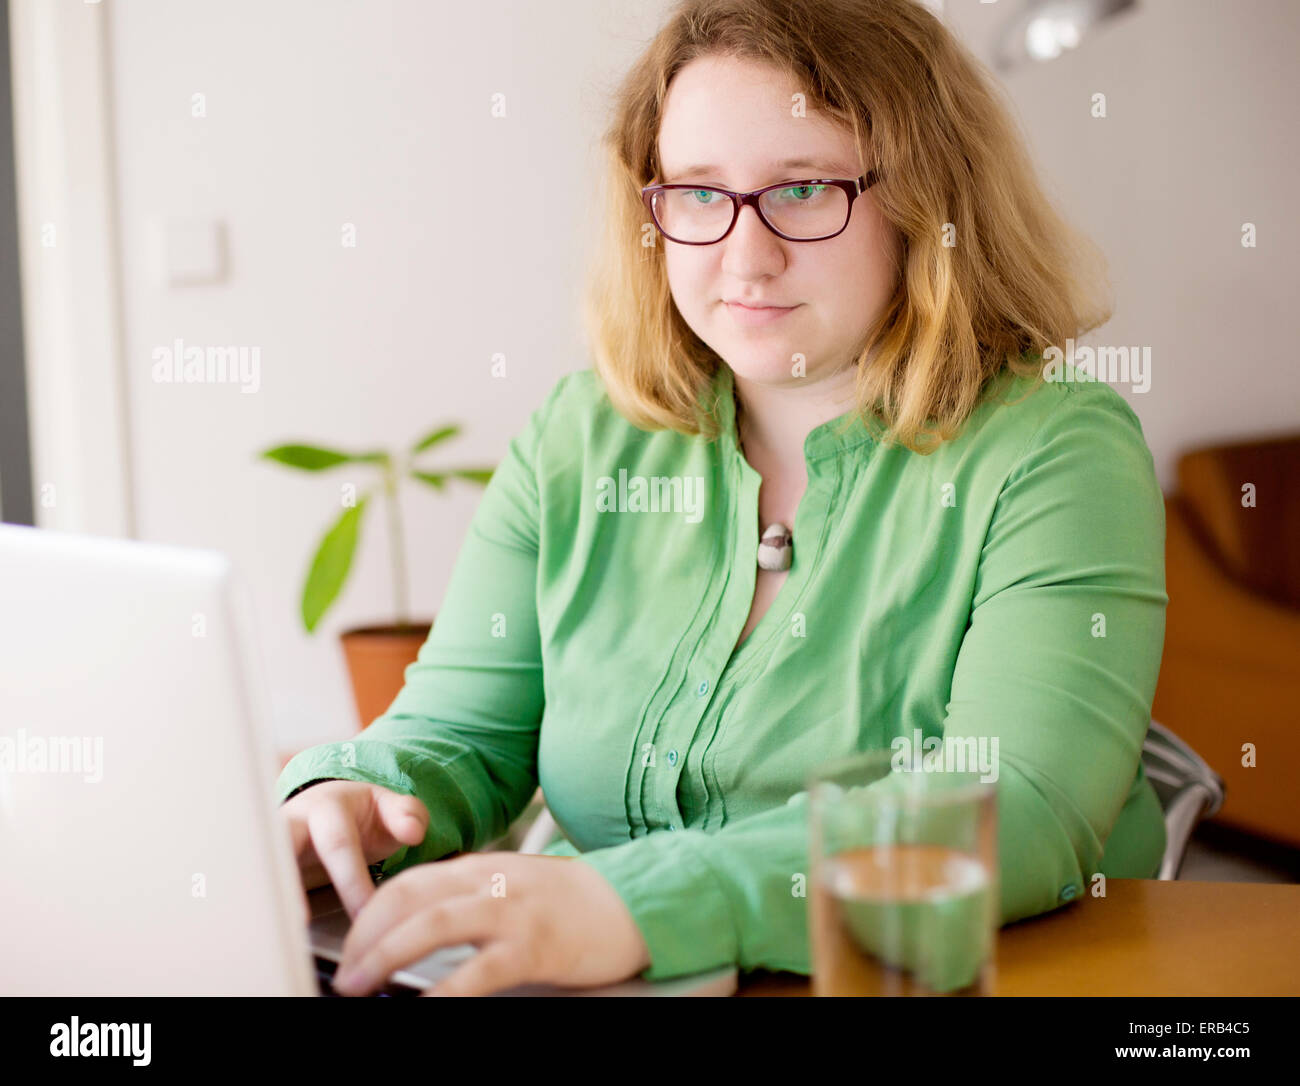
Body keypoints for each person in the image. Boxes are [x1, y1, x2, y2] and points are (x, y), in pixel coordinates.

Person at [277, 0, 1168, 996]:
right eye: (697, 195)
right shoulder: (581, 437)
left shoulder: (1056, 448)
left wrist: (639, 904)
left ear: (927, 197)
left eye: (802, 188)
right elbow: (461, 733)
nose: (744, 256)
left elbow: (1022, 810)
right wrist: (359, 796)